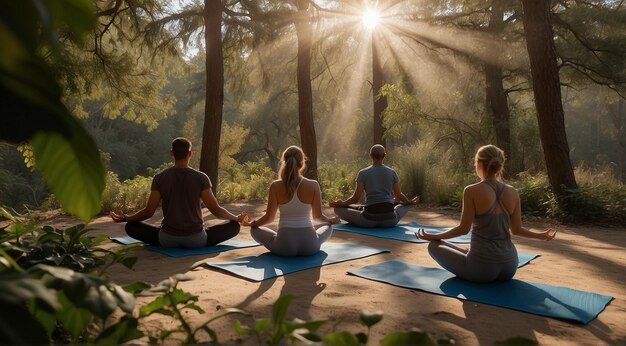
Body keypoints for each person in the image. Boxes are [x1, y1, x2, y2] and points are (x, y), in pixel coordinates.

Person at [417, 144, 557, 283]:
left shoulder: (471, 190)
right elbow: (516, 230)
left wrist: (433, 236)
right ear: (500, 165)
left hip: (481, 269)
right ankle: (471, 254)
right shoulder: (513, 192)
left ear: (478, 164)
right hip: (509, 266)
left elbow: (463, 229)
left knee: (434, 246)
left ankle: (467, 256)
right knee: (452, 245)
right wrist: (541, 236)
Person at [110, 137, 247, 248]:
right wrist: (236, 218)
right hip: (197, 240)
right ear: (190, 154)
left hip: (167, 240)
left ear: (172, 153)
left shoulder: (160, 178)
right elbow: (216, 210)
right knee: (233, 227)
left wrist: (125, 218)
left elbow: (148, 212)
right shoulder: (201, 177)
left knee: (131, 227)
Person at [242, 146, 339, 257]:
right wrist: (330, 221)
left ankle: (276, 239)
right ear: (302, 163)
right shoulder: (313, 185)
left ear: (284, 162)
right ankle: (317, 236)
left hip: (285, 247)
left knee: (254, 230)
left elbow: (269, 218)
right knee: (328, 227)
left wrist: (252, 224)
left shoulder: (275, 186)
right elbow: (317, 217)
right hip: (310, 246)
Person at [329, 144, 419, 228]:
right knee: (403, 206)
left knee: (337, 209)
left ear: (370, 156)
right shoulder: (392, 172)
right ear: (384, 156)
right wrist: (408, 202)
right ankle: (405, 204)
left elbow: (355, 199)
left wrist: (342, 204)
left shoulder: (363, 173)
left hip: (368, 220)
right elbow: (398, 195)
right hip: (390, 221)